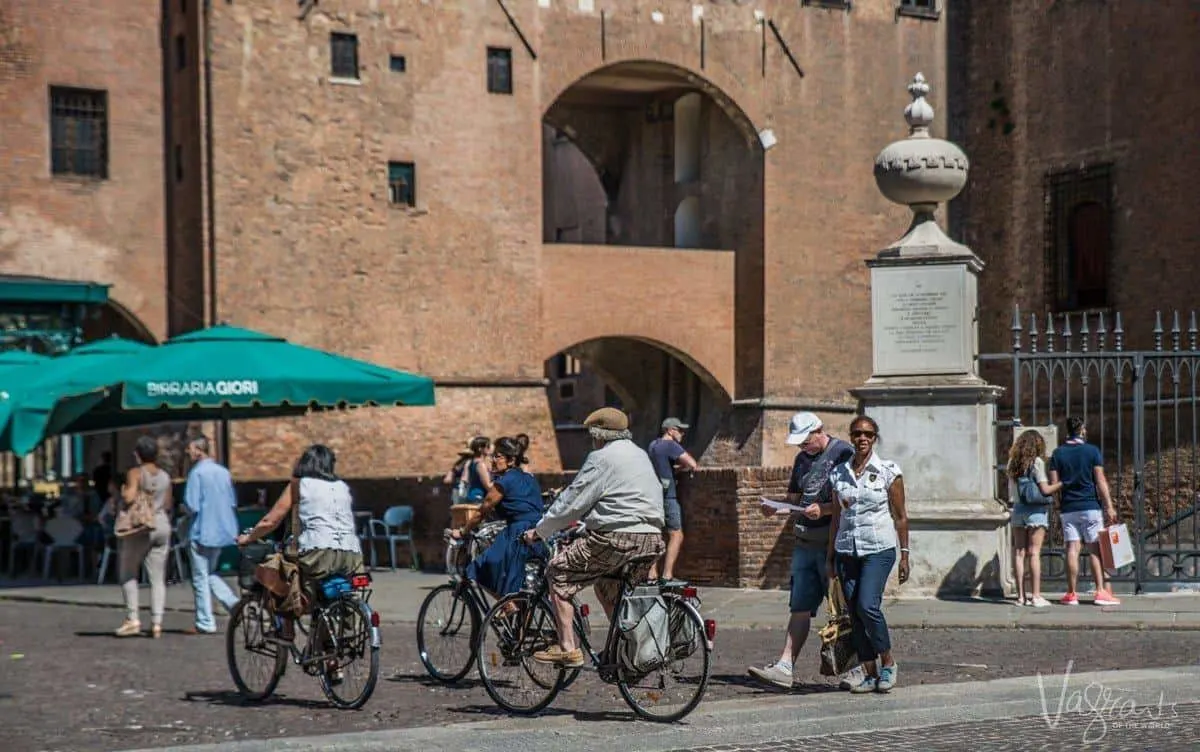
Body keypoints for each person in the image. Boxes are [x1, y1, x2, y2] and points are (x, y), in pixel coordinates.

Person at [521, 407, 665, 667]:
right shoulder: (640, 454)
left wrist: (540, 530)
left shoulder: (601, 457)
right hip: (652, 538)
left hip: (616, 538)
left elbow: (573, 500)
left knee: (558, 572)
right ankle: (627, 654)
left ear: (598, 435)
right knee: (608, 587)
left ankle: (567, 648)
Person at [748, 412, 854, 690]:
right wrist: (777, 507)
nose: (802, 448)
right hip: (805, 542)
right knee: (800, 606)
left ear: (819, 431)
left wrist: (826, 509)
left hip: (834, 543)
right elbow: (796, 500)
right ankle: (785, 666)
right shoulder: (801, 460)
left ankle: (860, 667)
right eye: (799, 444)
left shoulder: (844, 453)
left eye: (805, 442)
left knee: (846, 608)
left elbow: (854, 500)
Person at [828, 415, 909, 694]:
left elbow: (901, 517)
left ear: (875, 438)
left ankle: (888, 664)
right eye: (858, 433)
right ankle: (870, 673)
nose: (863, 438)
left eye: (868, 434)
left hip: (879, 549)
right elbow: (836, 519)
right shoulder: (839, 473)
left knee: (867, 606)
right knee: (854, 613)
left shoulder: (888, 471)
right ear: (851, 437)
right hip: (847, 550)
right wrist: (830, 557)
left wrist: (905, 554)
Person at [236, 444, 365, 608]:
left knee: (278, 570)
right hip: (352, 555)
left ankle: (286, 626)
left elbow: (270, 521)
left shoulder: (299, 484)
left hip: (318, 553)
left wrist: (248, 537)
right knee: (326, 601)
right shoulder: (342, 486)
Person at [450, 436, 546, 596]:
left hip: (517, 534)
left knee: (478, 568)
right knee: (520, 585)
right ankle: (516, 608)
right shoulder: (530, 479)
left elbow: (481, 512)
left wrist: (462, 532)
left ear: (511, 460)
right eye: (492, 456)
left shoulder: (504, 482)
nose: (493, 460)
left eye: (498, 456)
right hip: (539, 533)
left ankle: (507, 605)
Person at [1048, 416, 1120, 606]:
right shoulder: (1092, 451)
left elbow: (1055, 485)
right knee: (1095, 549)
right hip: (1090, 506)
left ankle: (1071, 593)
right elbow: (1100, 481)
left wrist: (1058, 505)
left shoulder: (1057, 454)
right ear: (1082, 430)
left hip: (1068, 507)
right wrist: (1109, 506)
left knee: (1072, 548)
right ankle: (1100, 591)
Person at [114, 437, 173, 639]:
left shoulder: (136, 472)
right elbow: (167, 503)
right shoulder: (165, 476)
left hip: (140, 527)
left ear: (138, 454)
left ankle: (133, 619)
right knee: (157, 577)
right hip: (162, 524)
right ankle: (157, 622)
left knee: (128, 573)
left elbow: (129, 497)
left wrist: (123, 492)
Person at [183, 435, 241, 634]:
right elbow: (232, 500)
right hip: (222, 529)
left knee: (200, 576)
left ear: (198, 450)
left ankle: (205, 621)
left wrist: (182, 511)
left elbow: (192, 505)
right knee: (210, 572)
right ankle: (232, 603)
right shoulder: (223, 472)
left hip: (201, 529)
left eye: (190, 449)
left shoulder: (196, 474)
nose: (188, 452)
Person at [1007, 430, 1062, 608]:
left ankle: (1021, 597)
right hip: (1035, 511)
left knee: (1019, 552)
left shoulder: (1012, 464)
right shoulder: (1036, 462)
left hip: (1018, 509)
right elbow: (1045, 490)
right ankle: (1036, 596)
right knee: (1034, 552)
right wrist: (1061, 483)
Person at [646, 417, 698, 585]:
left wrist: (671, 469)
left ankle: (651, 573)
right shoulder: (670, 445)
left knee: (655, 533)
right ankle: (667, 575)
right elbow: (692, 464)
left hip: (651, 493)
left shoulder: (653, 445)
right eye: (679, 430)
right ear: (670, 430)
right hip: (668, 495)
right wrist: (680, 469)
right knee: (676, 534)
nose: (682, 433)